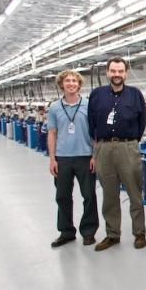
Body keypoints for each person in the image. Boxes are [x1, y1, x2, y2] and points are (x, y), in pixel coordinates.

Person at [88, 56, 146, 251]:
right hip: (104, 149)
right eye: (113, 71)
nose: (117, 75)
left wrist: (130, 143)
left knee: (134, 193)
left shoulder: (135, 94)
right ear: (107, 73)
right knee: (109, 195)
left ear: (125, 73)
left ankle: (139, 233)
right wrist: (99, 147)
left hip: (128, 147)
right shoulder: (97, 95)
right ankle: (112, 234)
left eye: (120, 71)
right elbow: (91, 123)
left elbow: (142, 122)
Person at [47, 69, 99, 247]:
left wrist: (95, 155)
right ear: (62, 84)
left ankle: (89, 231)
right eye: (67, 81)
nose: (71, 84)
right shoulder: (54, 107)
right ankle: (66, 231)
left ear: (79, 84)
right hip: (63, 158)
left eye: (74, 81)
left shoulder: (88, 104)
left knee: (89, 195)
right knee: (62, 196)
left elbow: (95, 132)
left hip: (85, 156)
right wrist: (52, 159)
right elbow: (52, 133)